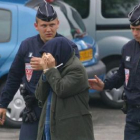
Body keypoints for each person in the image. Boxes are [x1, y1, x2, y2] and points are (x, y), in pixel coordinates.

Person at [0, 1, 79, 140]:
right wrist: (3, 104)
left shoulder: (69, 47)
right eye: (44, 25)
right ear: (36, 26)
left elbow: (74, 79)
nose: (48, 29)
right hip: (33, 109)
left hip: (58, 109)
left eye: (52, 25)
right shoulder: (27, 46)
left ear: (58, 24)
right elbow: (14, 76)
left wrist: (48, 68)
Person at [88, 4, 140, 140]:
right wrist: (104, 85)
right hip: (133, 114)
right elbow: (121, 75)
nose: (135, 33)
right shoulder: (128, 48)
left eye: (139, 29)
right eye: (133, 28)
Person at [35, 37, 94, 140]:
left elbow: (61, 89)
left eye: (48, 56)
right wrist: (45, 73)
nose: (47, 61)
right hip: (49, 127)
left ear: (58, 53)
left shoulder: (77, 69)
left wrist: (50, 69)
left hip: (71, 132)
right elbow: (39, 96)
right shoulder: (53, 68)